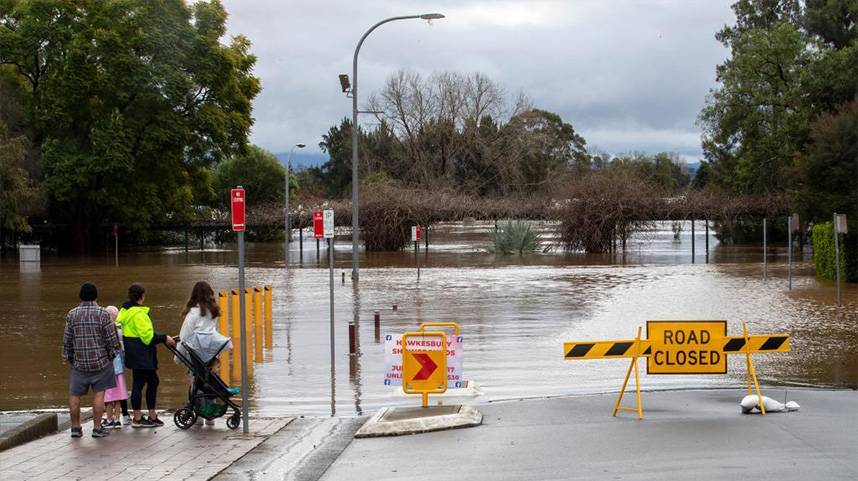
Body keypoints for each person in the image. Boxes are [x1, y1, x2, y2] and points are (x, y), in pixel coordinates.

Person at [62, 282, 119, 438]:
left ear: (80, 296)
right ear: (95, 296)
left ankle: (75, 427)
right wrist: (112, 355)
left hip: (79, 362)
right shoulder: (103, 314)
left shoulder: (72, 314)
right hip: (101, 362)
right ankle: (97, 427)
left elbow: (67, 339)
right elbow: (110, 339)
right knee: (99, 394)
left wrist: (69, 357)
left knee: (75, 394)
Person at [117, 283, 175, 428]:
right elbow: (147, 337)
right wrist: (164, 338)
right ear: (142, 296)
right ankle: (143, 416)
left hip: (133, 353)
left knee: (144, 383)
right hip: (143, 355)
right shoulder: (139, 314)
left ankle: (146, 415)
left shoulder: (125, 313)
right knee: (148, 383)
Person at [176, 281, 221, 425]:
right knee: (210, 382)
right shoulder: (212, 313)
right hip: (212, 354)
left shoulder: (192, 315)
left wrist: (177, 357)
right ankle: (211, 416)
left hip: (196, 356)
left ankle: (198, 416)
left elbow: (184, 337)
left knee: (196, 383)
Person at [102, 306, 128, 428]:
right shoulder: (120, 330)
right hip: (119, 368)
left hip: (107, 368)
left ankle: (109, 419)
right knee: (118, 395)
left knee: (107, 396)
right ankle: (118, 419)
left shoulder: (104, 330)